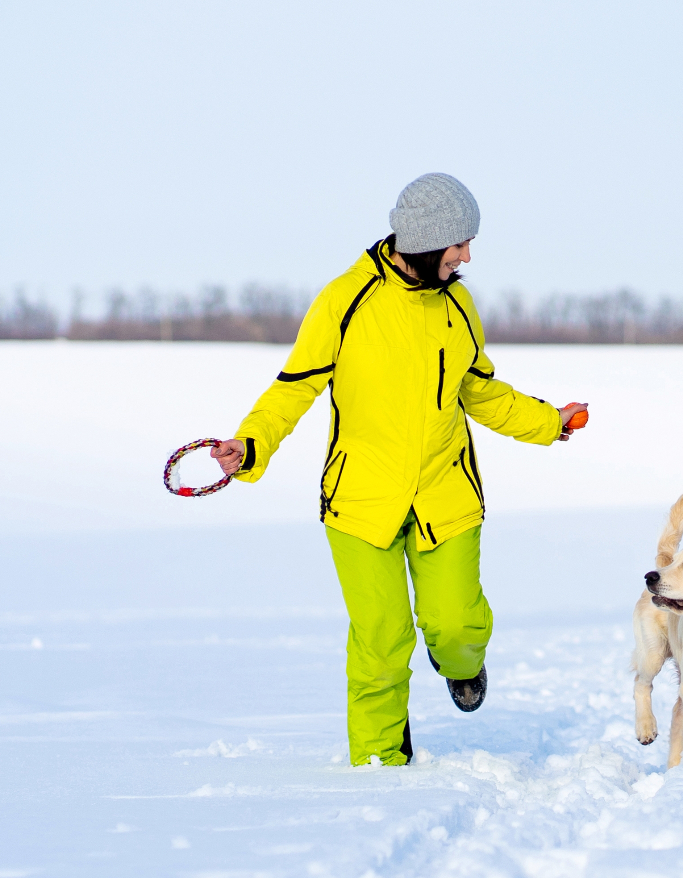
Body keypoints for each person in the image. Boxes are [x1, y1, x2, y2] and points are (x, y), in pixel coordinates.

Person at [209, 173, 587, 766]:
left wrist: (549, 422)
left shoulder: (458, 304)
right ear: (425, 240)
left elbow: (480, 392)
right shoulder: (345, 299)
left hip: (445, 492)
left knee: (459, 627)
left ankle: (460, 665)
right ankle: (381, 767)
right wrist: (250, 445)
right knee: (381, 644)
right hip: (361, 500)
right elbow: (292, 390)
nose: (467, 256)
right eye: (459, 243)